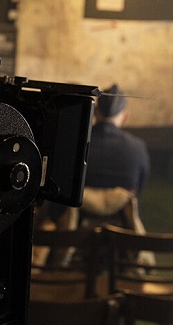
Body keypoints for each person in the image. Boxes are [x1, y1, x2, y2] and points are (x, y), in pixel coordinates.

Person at [51, 84, 150, 231]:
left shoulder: (76, 142)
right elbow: (139, 189)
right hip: (121, 231)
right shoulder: (138, 146)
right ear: (125, 116)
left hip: (74, 230)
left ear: (95, 112)